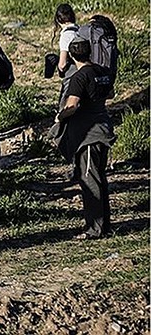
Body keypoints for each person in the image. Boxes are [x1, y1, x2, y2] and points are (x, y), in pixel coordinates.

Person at [54, 37, 115, 240]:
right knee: (100, 178)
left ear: (72, 55)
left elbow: (72, 106)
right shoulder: (101, 72)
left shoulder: (80, 77)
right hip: (104, 128)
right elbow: (111, 93)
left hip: (88, 135)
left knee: (90, 181)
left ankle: (94, 228)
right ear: (89, 52)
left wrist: (59, 116)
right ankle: (104, 224)